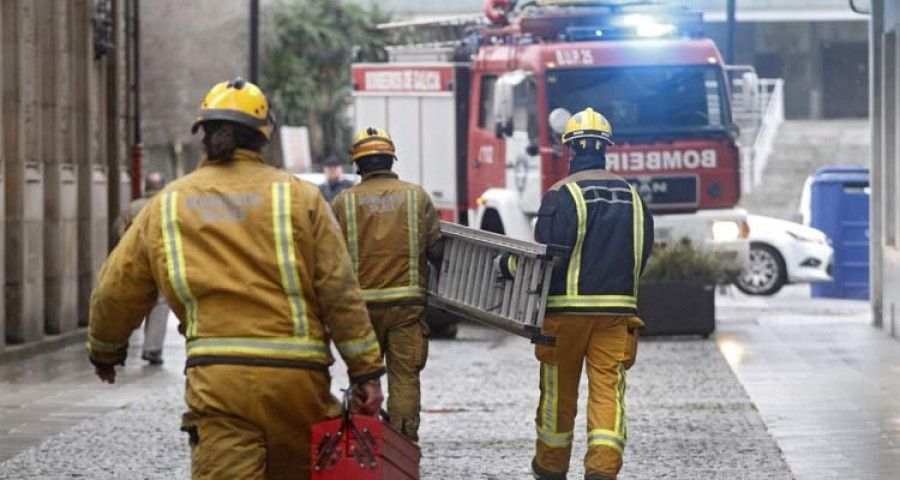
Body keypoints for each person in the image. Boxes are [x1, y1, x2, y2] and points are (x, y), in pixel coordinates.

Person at [87, 78, 385, 480]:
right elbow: (339, 290)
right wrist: (365, 371)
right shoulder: (300, 198)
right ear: (264, 136)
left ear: (204, 134)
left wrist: (106, 350)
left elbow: (116, 288)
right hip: (297, 380)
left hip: (218, 380)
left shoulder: (169, 203)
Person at [530, 108, 654, 480]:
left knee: (557, 393)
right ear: (605, 149)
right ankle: (602, 470)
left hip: (564, 315)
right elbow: (643, 251)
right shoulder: (634, 196)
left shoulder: (560, 194)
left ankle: (551, 468)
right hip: (617, 314)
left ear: (570, 149)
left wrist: (510, 271)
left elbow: (546, 253)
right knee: (607, 392)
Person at [332, 127, 443, 443]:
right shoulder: (416, 196)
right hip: (406, 308)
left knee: (362, 376)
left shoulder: (342, 203)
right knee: (404, 377)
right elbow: (436, 248)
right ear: (391, 161)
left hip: (360, 311)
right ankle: (403, 443)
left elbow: (331, 258)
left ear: (358, 165)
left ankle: (362, 445)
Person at [112, 172, 170, 365]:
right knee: (160, 302)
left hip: (134, 262)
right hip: (160, 261)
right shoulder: (167, 205)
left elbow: (118, 232)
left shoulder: (132, 207)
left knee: (130, 302)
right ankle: (152, 348)